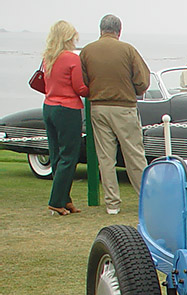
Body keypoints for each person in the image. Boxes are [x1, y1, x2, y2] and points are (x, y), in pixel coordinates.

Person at [79, 14, 150, 215]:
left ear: (101, 30)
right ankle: (144, 197)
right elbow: (142, 80)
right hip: (124, 106)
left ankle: (112, 204)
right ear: (119, 31)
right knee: (134, 155)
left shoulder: (87, 51)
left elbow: (83, 80)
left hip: (98, 107)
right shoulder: (128, 49)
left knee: (106, 157)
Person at [40, 20, 88, 216]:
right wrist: (92, 89)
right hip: (67, 108)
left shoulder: (48, 58)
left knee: (57, 155)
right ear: (69, 38)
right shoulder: (71, 59)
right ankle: (56, 200)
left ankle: (65, 198)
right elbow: (80, 88)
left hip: (49, 106)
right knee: (69, 156)